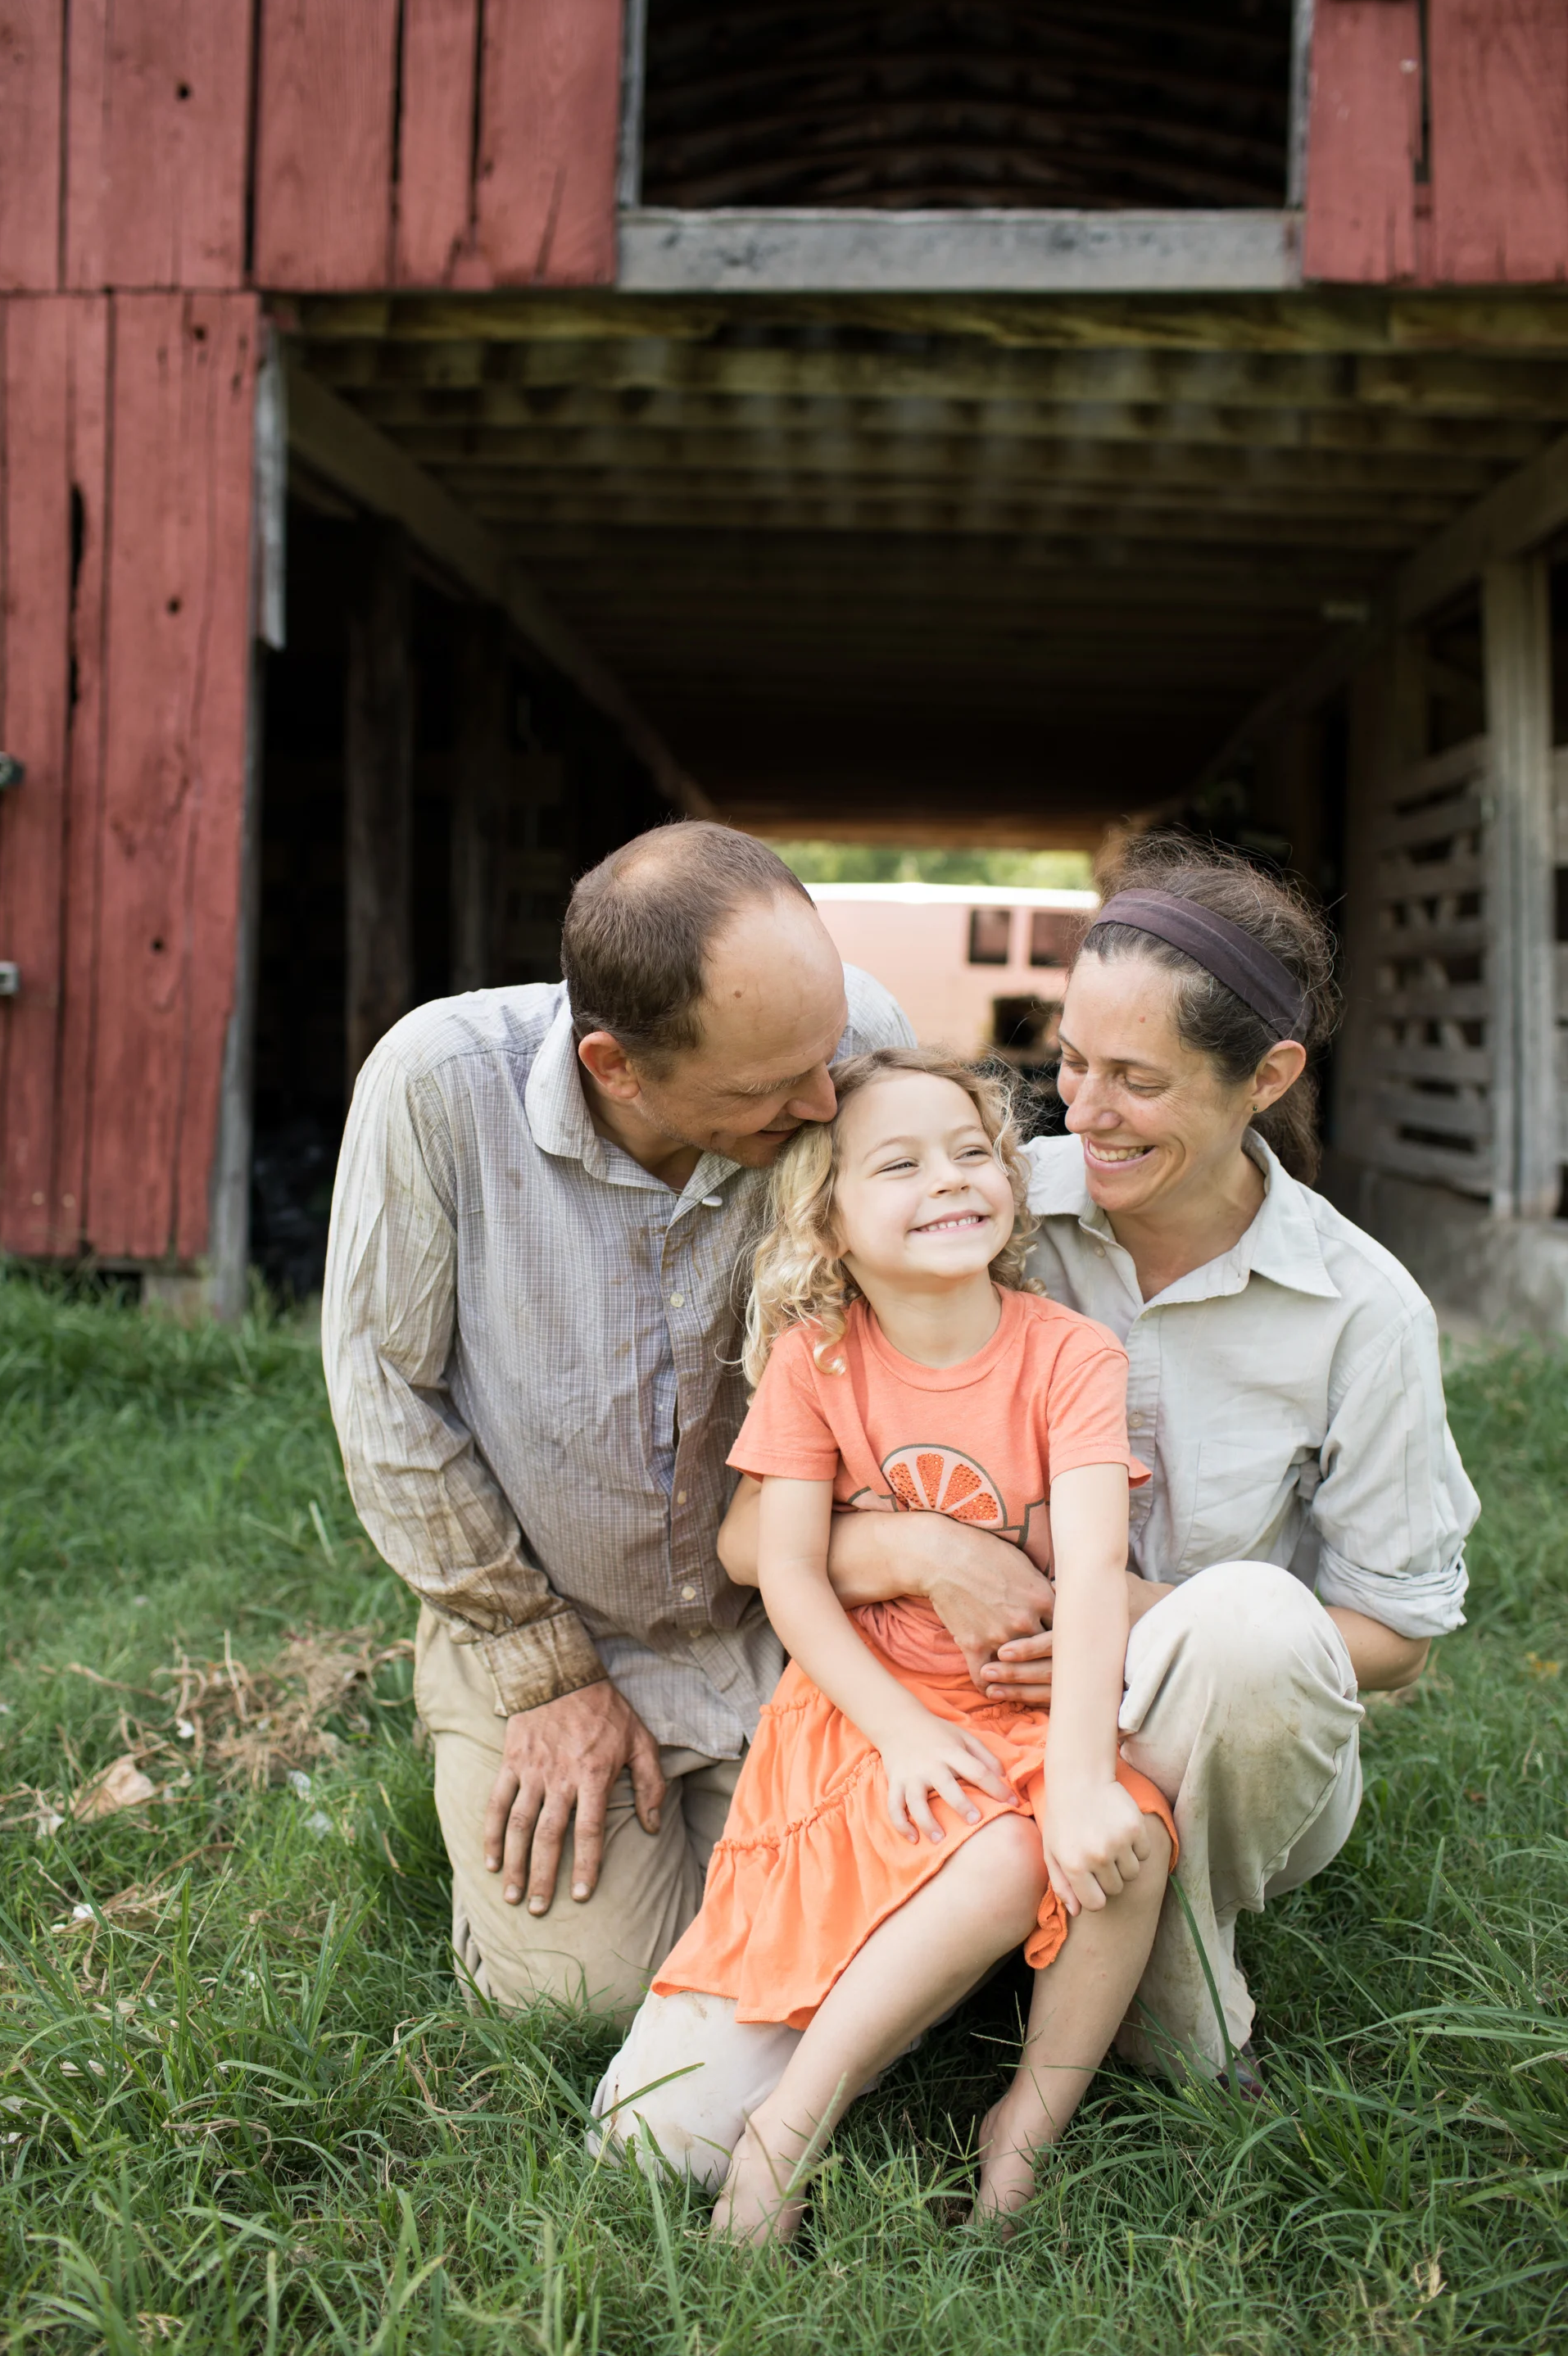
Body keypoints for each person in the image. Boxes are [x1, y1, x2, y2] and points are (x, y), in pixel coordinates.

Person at [596, 835, 1477, 2178]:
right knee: (656, 2145)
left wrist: (1130, 1613)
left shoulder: (1364, 1311)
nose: (1089, 1111)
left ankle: (1174, 1974)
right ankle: (999, 1944)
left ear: (1268, 1080)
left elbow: (1397, 1640)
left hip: (1204, 1731)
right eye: (1072, 1064)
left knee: (1244, 1623)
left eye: (1139, 1081)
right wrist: (922, 1546)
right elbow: (755, 1539)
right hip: (943, 1711)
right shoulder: (988, 1207)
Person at [322, 822, 913, 2014]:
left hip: (799, 1613)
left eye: (828, 1053)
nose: (821, 1099)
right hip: (562, 1622)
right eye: (765, 1091)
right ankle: (512, 1749)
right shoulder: (439, 1085)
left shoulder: (854, 1043)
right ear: (615, 1064)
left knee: (889, 1952)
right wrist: (542, 1674)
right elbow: (388, 1402)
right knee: (580, 1999)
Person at [595, 1051, 1176, 2239]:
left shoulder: (1073, 1358)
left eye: (973, 1153)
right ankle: (785, 2124)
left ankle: (1025, 2126)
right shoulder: (820, 1361)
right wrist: (903, 1731)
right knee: (653, 2143)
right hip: (869, 1706)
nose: (951, 1180)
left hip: (1025, 1703)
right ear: (830, 1221)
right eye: (900, 1164)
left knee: (1124, 1846)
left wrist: (1077, 1785)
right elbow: (791, 1574)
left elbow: (1096, 1583)